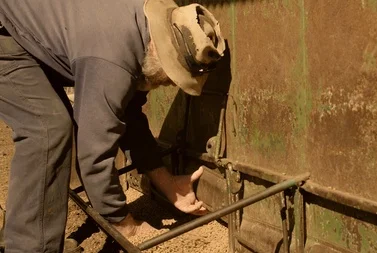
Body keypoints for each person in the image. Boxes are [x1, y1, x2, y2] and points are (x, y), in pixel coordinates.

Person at [0, 0, 226, 251]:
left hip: (24, 25)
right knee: (48, 129)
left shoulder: (142, 29)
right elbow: (93, 155)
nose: (170, 84)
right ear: (158, 50)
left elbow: (128, 116)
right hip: (5, 29)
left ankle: (23, 234)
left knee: (53, 125)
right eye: (172, 76)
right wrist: (123, 222)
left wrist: (168, 184)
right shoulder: (112, 59)